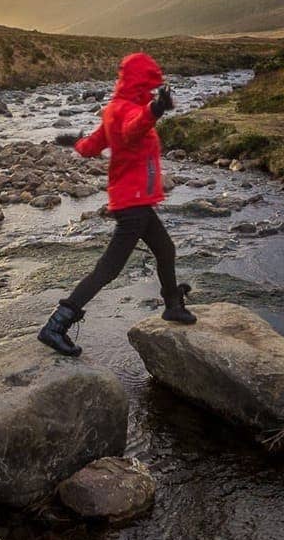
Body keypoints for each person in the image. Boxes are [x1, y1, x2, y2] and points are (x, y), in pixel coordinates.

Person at [38, 51, 196, 357]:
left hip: (134, 201)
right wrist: (155, 109)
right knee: (108, 269)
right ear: (140, 80)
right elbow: (132, 129)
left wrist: (75, 142)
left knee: (165, 250)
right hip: (132, 203)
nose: (154, 87)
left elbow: (94, 143)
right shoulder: (129, 110)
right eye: (150, 82)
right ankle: (57, 324)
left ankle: (173, 305)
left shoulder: (115, 107)